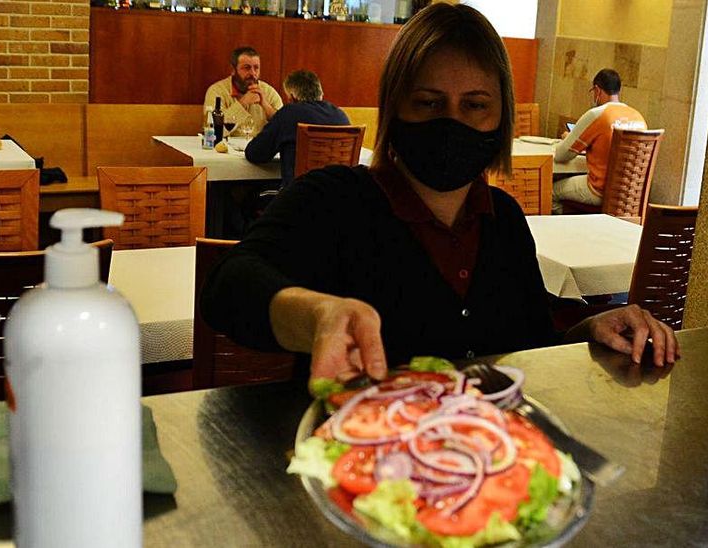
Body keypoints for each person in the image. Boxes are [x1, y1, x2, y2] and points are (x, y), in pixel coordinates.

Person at [202, 4, 678, 387]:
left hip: (483, 476)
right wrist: (318, 315)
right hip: (363, 477)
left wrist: (590, 330)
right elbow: (228, 287)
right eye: (428, 103)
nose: (452, 121)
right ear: (395, 109)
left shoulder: (505, 220)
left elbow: (531, 345)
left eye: (474, 105)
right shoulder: (333, 200)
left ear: (500, 120)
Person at [551, 68, 647, 214]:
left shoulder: (598, 115)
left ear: (597, 90)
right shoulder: (638, 117)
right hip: (630, 194)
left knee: (549, 191)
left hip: (599, 190)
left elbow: (561, 155)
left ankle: (568, 230)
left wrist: (568, 139)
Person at [245, 70, 351, 190]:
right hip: (340, 199)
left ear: (291, 97)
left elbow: (255, 153)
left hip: (298, 200)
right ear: (321, 93)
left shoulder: (289, 113)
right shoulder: (341, 116)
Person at [203, 46, 284, 132]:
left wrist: (265, 105)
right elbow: (212, 130)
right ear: (233, 70)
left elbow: (284, 126)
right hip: (227, 145)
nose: (253, 73)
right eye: (247, 68)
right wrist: (242, 103)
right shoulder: (217, 91)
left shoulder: (269, 92)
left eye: (256, 68)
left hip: (260, 145)